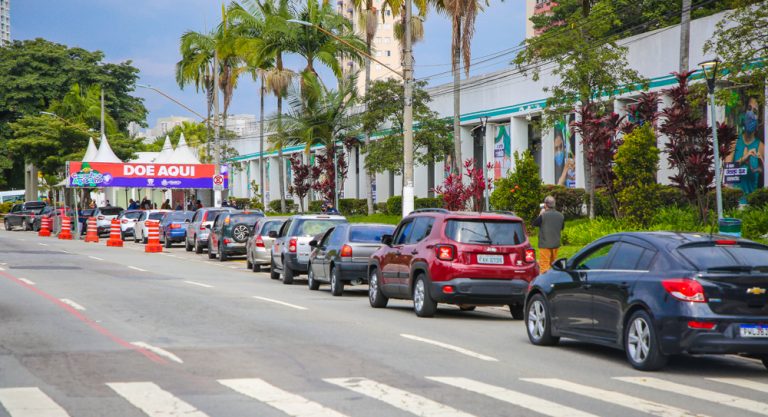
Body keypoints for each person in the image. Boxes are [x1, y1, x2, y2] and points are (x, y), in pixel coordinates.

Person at [726, 97, 764, 204]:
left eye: (755, 112)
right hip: (734, 204)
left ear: (759, 118)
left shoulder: (761, 147)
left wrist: (761, 167)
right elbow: (726, 173)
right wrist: (742, 159)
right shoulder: (734, 142)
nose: (751, 114)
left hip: (752, 206)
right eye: (749, 108)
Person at [532, 195, 564, 274]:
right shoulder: (561, 215)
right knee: (553, 264)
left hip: (545, 244)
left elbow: (534, 223)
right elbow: (562, 227)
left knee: (544, 264)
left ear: (545, 205)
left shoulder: (543, 215)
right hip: (556, 244)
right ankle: (552, 277)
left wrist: (540, 214)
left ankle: (545, 279)